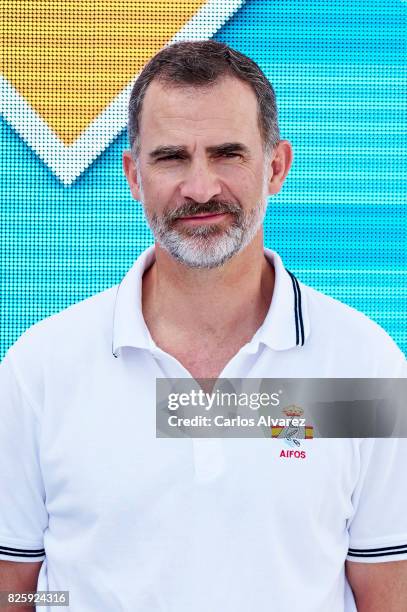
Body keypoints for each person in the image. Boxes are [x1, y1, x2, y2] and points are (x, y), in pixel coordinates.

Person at [0, 40, 406, 612]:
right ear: (133, 175)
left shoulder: (364, 368)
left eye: (227, 154)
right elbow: (14, 587)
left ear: (276, 167)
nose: (200, 188)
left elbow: (385, 594)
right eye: (170, 157)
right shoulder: (39, 370)